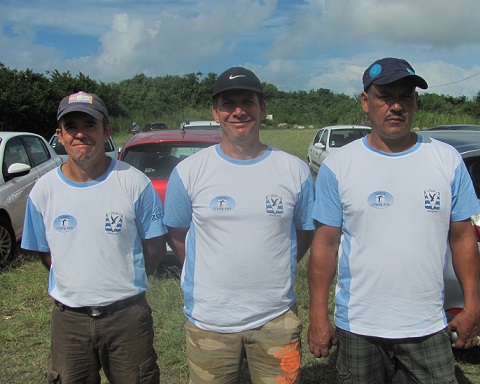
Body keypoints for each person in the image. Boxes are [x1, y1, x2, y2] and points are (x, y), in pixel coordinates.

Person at [308, 58, 480, 383]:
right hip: (359, 324)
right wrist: (317, 313)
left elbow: (462, 237)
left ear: (416, 102)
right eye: (385, 96)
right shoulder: (339, 166)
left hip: (427, 324)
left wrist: (472, 304)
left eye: (405, 95)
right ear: (365, 101)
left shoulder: (446, 160)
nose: (396, 105)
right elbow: (325, 244)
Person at [164, 67, 315, 383]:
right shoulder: (189, 171)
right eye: (228, 104)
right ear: (215, 113)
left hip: (276, 320)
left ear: (262, 109)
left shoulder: (295, 170)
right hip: (209, 321)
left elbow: (303, 233)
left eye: (247, 102)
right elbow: (178, 235)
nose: (238, 111)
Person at [21, 91, 167, 384]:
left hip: (127, 318)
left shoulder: (134, 182)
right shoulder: (43, 191)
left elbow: (153, 248)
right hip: (69, 322)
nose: (80, 134)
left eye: (90, 125)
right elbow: (48, 256)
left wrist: (120, 286)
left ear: (106, 131)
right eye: (71, 126)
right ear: (59, 136)